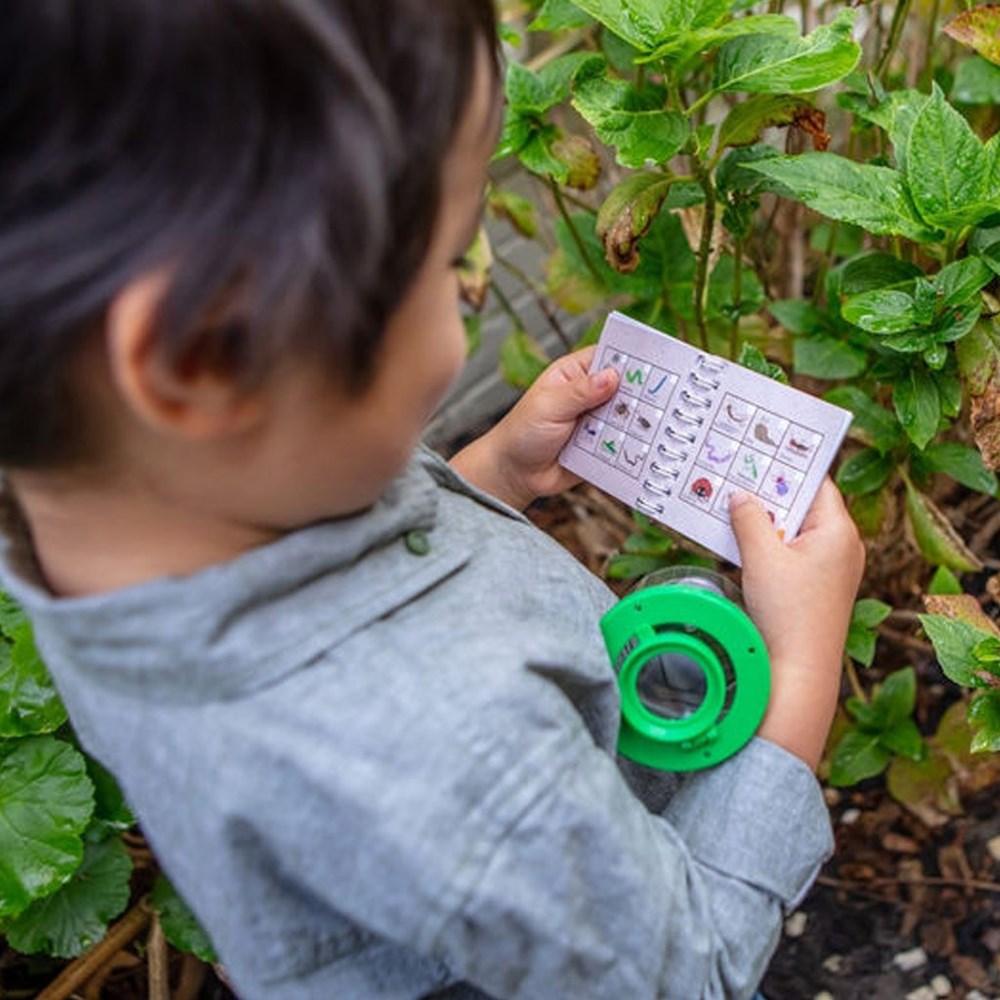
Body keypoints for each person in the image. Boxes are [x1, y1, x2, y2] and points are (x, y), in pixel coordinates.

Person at [0, 2, 865, 997]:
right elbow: (683, 973)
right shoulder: (453, 756)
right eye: (449, 257)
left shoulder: (101, 519)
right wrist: (796, 683)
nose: (469, 294)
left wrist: (486, 472)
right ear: (204, 359)